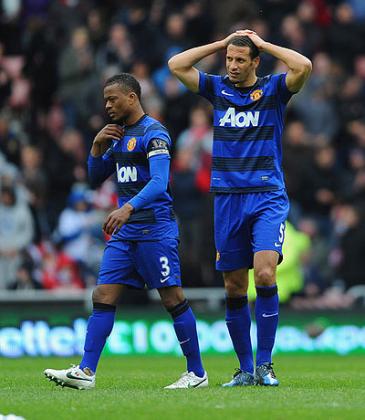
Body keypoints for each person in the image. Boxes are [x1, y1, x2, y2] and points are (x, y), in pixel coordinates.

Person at [44, 73, 207, 390]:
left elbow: (160, 183)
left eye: (112, 99)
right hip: (124, 233)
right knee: (102, 295)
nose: (107, 105)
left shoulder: (154, 133)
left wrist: (127, 207)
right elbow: (95, 178)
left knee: (172, 298)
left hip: (154, 228)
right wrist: (96, 147)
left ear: (132, 97)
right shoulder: (118, 135)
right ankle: (86, 372)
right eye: (105, 100)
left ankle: (197, 373)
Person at [168, 30, 311, 386]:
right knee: (234, 286)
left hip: (266, 195)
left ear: (255, 62)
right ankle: (246, 370)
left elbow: (304, 65)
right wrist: (220, 43)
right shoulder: (217, 88)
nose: (232, 65)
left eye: (240, 60)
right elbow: (177, 64)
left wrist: (262, 43)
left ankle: (265, 365)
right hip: (227, 197)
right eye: (229, 59)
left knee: (264, 273)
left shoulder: (275, 90)